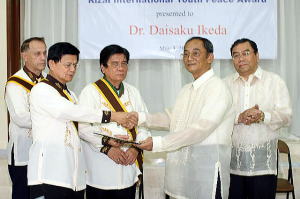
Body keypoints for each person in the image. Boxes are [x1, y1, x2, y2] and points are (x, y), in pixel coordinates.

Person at [27, 42, 137, 199]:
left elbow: (82, 129)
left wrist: (107, 140)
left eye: (75, 65)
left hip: (72, 177)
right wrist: (113, 116)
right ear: (52, 63)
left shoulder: (71, 94)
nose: (72, 69)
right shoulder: (42, 90)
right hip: (49, 175)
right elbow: (71, 112)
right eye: (67, 65)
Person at [134, 37, 235, 199]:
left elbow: (201, 129)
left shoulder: (218, 88)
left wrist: (159, 143)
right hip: (183, 172)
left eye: (196, 53)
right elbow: (172, 119)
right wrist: (140, 118)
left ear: (210, 57)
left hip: (206, 170)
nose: (189, 58)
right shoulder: (186, 89)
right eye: (186, 54)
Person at [78, 44, 151, 199]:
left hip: (128, 169)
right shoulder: (90, 92)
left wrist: (136, 149)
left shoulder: (133, 92)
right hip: (99, 170)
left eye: (124, 63)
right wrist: (107, 148)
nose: (121, 68)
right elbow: (83, 128)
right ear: (103, 67)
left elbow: (144, 124)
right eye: (115, 64)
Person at [224, 38, 292, 199]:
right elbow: (216, 118)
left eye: (246, 53)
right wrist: (238, 117)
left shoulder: (274, 82)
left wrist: (263, 116)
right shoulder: (224, 85)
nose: (241, 59)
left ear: (257, 56)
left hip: (264, 165)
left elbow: (286, 116)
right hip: (232, 165)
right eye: (236, 55)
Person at [5, 37, 47, 199]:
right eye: (37, 53)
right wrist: (50, 119)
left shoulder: (47, 82)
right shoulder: (15, 83)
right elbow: (21, 118)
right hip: (24, 152)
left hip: (44, 152)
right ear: (25, 56)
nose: (43, 57)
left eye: (44, 52)